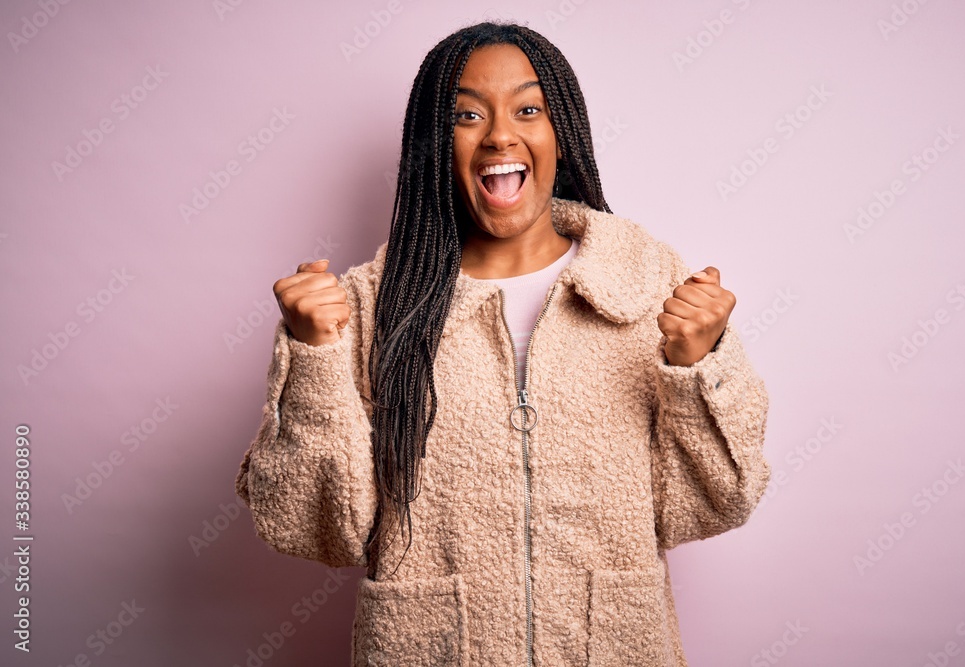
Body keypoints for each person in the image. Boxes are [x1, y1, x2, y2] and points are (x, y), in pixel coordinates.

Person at [235, 20, 770, 667]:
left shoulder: (649, 287)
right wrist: (315, 356)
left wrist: (695, 368)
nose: (498, 135)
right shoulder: (366, 307)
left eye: (528, 109)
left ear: (562, 136)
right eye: (467, 114)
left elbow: (713, 504)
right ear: (436, 146)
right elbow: (312, 528)